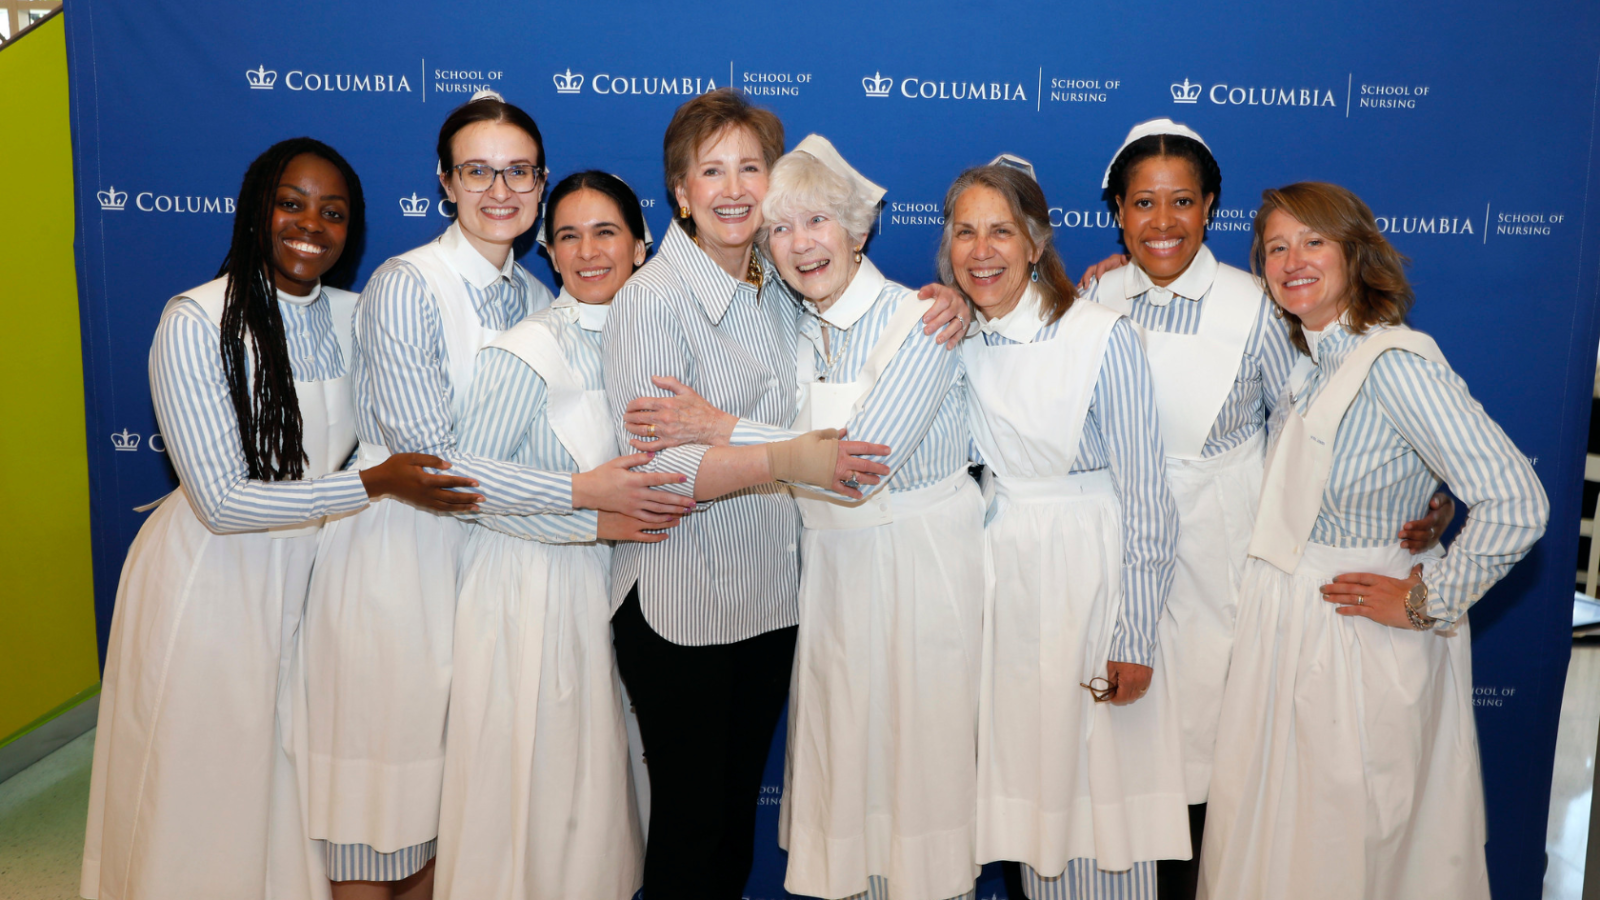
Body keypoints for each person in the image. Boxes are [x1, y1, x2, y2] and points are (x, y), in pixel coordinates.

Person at [301, 93, 692, 900]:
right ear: (445, 182)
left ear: (540, 181)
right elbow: (429, 466)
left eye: (517, 171)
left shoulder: (539, 297)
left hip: (490, 567)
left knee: (465, 807)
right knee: (383, 813)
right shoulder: (409, 284)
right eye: (477, 170)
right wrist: (585, 494)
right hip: (400, 562)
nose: (499, 189)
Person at [81, 138, 481, 900]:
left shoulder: (357, 314)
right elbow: (225, 502)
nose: (311, 225)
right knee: (209, 792)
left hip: (321, 581)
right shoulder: (197, 320)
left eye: (333, 212)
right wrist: (374, 484)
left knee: (299, 795)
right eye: (292, 203)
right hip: (215, 588)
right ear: (258, 208)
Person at [602, 89, 969, 900]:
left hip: (773, 602)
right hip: (684, 602)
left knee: (731, 832)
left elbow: (848, 383)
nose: (733, 188)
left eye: (751, 168)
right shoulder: (652, 301)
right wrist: (789, 458)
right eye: (711, 171)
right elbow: (658, 475)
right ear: (679, 192)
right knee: (691, 834)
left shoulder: (779, 290)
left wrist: (955, 295)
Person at [1082, 119, 1457, 900]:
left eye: (1181, 201)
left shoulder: (1262, 305)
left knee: (1216, 768)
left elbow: (1337, 409)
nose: (1162, 222)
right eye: (1142, 203)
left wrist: (1431, 491)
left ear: (1210, 207)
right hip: (1112, 549)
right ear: (1116, 211)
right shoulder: (1093, 294)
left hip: (1225, 562)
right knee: (1118, 770)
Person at [1197, 182, 1549, 900]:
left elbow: (1518, 501)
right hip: (1290, 634)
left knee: (1348, 856)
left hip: (1355, 648)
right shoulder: (1310, 361)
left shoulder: (1395, 363)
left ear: (1356, 252)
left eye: (1313, 241)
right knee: (1281, 854)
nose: (1293, 260)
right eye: (1275, 247)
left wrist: (1428, 601)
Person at [736, 136, 981, 900]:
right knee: (849, 782)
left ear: (858, 230)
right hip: (837, 582)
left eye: (817, 221)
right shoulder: (792, 326)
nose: (801, 243)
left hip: (920, 578)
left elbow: (857, 467)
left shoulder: (921, 322)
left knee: (919, 785)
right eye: (779, 229)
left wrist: (715, 427)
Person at [953, 159, 1188, 900]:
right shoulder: (957, 341)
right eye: (964, 232)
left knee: (1100, 821)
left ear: (1035, 242)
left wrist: (1135, 637)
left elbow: (1149, 498)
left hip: (1091, 591)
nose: (981, 250)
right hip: (1006, 597)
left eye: (1001, 231)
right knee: (1037, 816)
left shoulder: (1100, 336)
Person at [431, 171, 663, 900]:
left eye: (605, 233)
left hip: (602, 594)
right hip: (523, 600)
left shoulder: (649, 343)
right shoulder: (524, 351)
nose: (588, 251)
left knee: (589, 815)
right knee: (527, 804)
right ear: (549, 253)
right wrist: (588, 518)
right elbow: (467, 488)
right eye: (568, 235)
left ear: (641, 246)